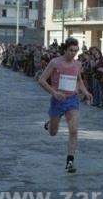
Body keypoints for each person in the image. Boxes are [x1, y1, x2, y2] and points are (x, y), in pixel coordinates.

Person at [39, 37, 93, 173]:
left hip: (72, 100)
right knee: (53, 132)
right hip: (57, 100)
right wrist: (54, 92)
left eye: (76, 51)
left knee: (73, 130)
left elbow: (79, 81)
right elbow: (41, 80)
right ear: (65, 49)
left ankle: (70, 161)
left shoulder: (78, 64)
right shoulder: (55, 63)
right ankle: (50, 123)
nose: (73, 53)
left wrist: (86, 92)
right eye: (71, 50)